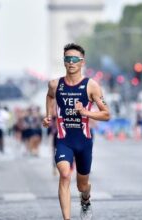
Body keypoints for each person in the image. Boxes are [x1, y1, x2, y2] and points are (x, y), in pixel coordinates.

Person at [42, 43, 110, 220]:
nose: (71, 62)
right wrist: (48, 115)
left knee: (82, 185)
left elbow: (106, 114)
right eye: (67, 59)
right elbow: (49, 96)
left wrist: (85, 112)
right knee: (64, 175)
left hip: (84, 141)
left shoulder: (92, 86)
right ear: (64, 62)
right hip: (64, 140)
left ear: (82, 62)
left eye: (74, 59)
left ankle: (85, 200)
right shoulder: (55, 84)